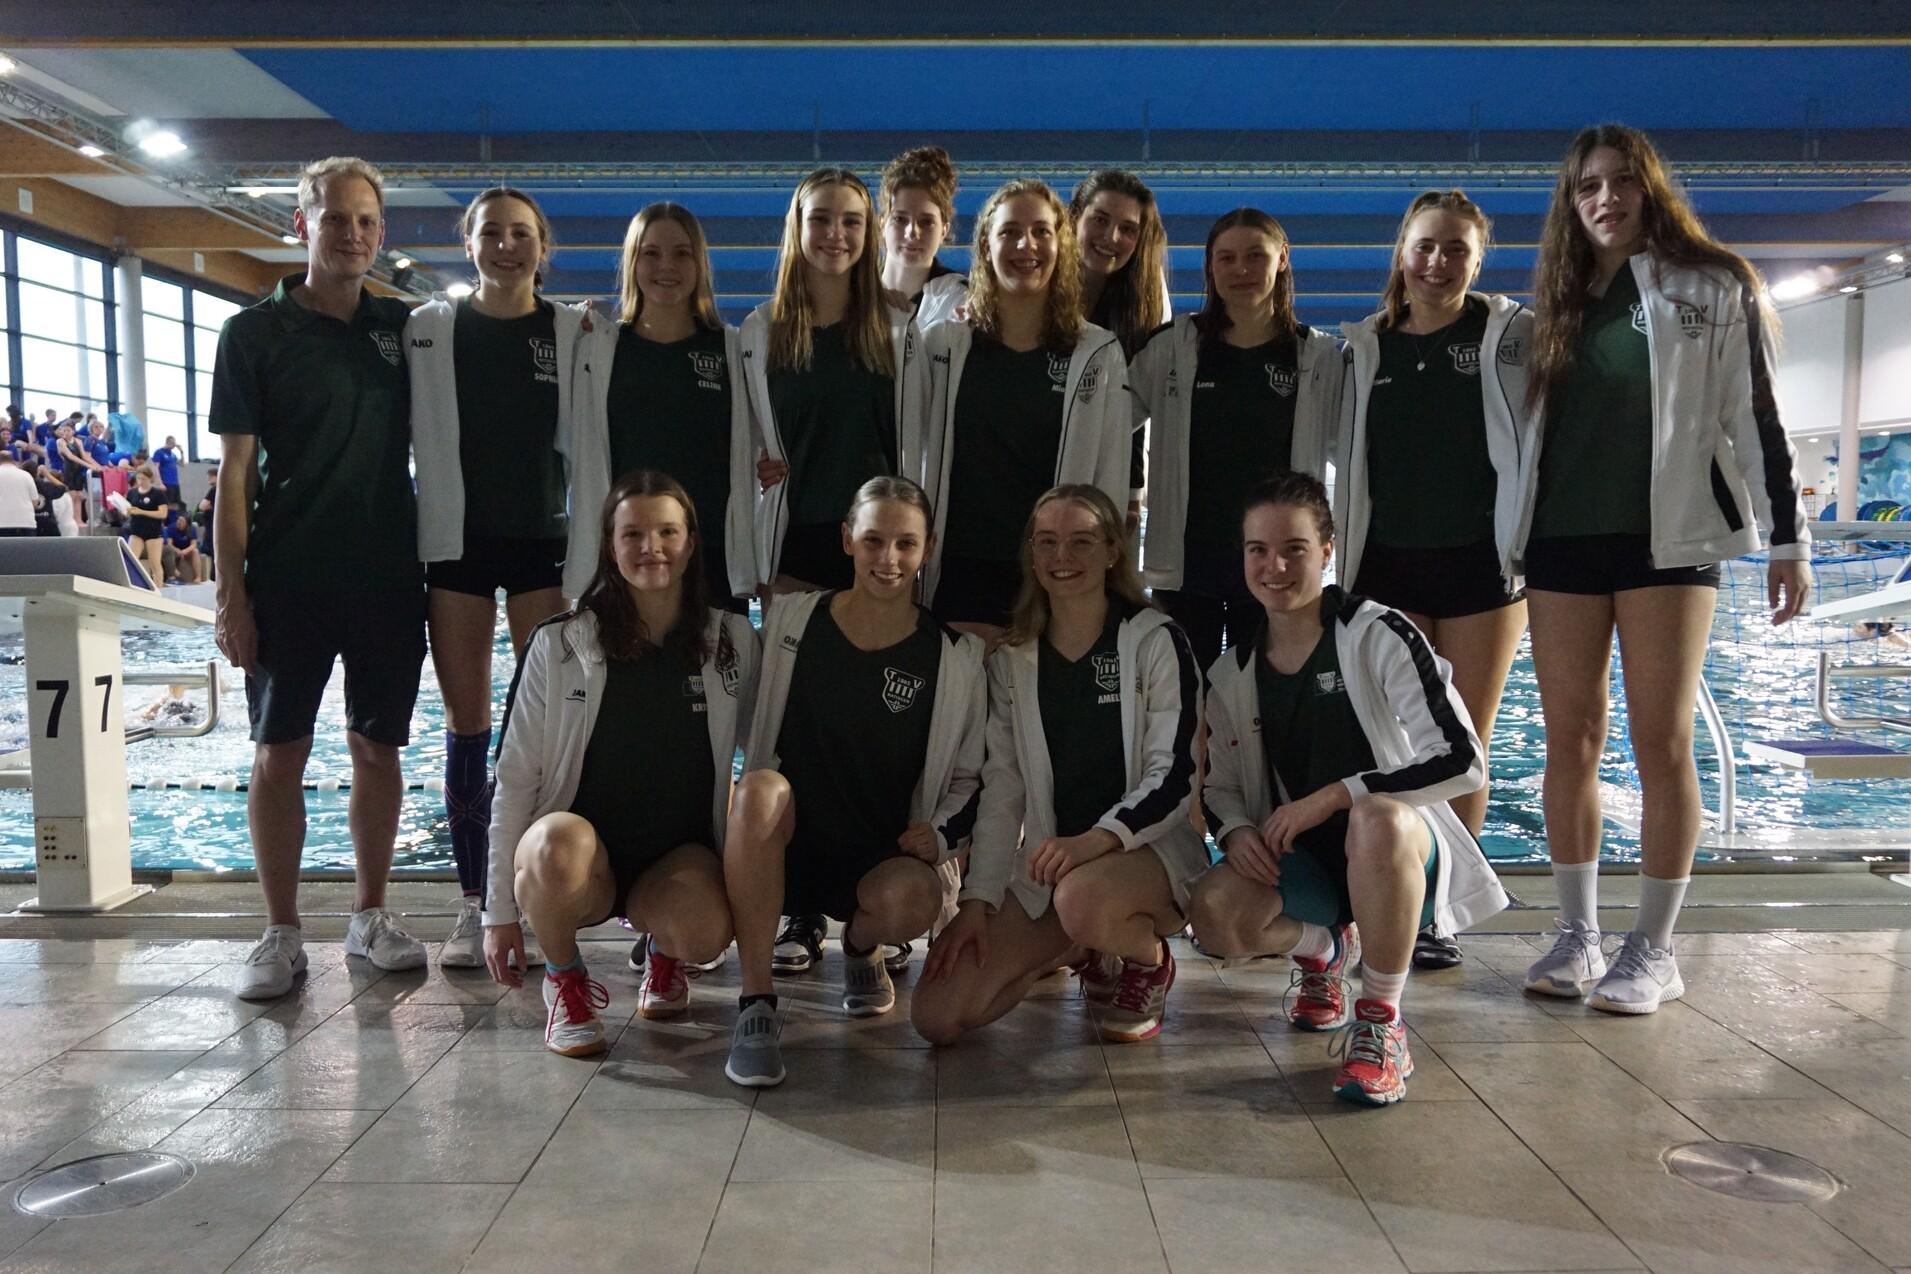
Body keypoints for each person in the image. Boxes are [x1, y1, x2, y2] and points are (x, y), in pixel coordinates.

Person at [1514, 125, 1812, 1014]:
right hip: (1561, 540)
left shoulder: (1712, 285)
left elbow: (1755, 417)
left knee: (1660, 740)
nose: (1604, 199)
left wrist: (1788, 540)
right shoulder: (1554, 303)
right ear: (1570, 204)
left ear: (1649, 188)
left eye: (1619, 182)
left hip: (1670, 543)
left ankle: (1652, 947)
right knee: (1569, 739)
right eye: (1586, 187)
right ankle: (1577, 933)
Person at [1187, 472, 1507, 1105]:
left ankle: (1382, 1023)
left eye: (1294, 549)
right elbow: (1219, 788)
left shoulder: (1378, 633)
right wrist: (1237, 830)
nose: (1275, 567)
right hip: (1309, 861)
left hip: (1400, 856)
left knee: (1374, 818)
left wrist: (1340, 793)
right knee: (1214, 913)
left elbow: (1463, 762)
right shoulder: (1233, 670)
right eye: (1258, 550)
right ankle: (1326, 949)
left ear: (1327, 551)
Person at [212, 155, 432, 1000]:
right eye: (334, 218)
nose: (351, 235)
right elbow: (236, 474)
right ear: (301, 224)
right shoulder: (252, 334)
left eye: (366, 221)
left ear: (382, 232)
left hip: (385, 573)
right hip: (288, 575)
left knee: (378, 748)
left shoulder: (405, 328)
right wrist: (231, 595)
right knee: (279, 752)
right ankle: (279, 930)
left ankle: (369, 915)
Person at [912, 484, 1204, 1047]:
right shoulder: (1015, 659)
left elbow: (1174, 777)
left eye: (1081, 541)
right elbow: (1002, 789)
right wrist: (977, 901)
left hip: (1148, 856)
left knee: (1082, 899)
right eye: (1046, 542)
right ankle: (1080, 945)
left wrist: (1096, 840)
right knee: (938, 1014)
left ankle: (1146, 958)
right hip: (1054, 870)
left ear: (1113, 549)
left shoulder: (1154, 641)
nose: (1061, 556)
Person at [722, 475, 986, 1085]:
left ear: (928, 549)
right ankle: (756, 1003)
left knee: (916, 898)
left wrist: (941, 833)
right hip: (791, 845)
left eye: (905, 544)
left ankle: (862, 947)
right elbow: (727, 717)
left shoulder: (952, 657)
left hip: (881, 857)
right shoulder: (792, 623)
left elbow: (971, 778)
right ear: (846, 539)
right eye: (873, 541)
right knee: (757, 791)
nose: (888, 559)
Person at [483, 471, 757, 1055]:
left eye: (667, 532)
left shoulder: (731, 640)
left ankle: (665, 952)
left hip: (677, 857)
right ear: (610, 546)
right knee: (550, 846)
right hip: (585, 860)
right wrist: (497, 913)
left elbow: (767, 753)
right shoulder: (559, 645)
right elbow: (515, 779)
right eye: (632, 534)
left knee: (705, 933)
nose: (651, 547)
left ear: (691, 543)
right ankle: (566, 978)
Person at [1334, 190, 1535, 971]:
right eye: (1424, 246)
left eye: (1455, 248)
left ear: (1478, 260)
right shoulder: (1364, 348)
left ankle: (1438, 913)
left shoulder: (1506, 336)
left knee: (1462, 741)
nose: (1437, 262)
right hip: (1387, 564)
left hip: (1482, 567)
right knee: (1392, 738)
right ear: (1401, 253)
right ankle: (1389, 896)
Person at [407, 186, 581, 969]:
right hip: (459, 545)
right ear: (468, 243)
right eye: (491, 233)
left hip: (544, 541)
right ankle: (474, 900)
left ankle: (529, 897)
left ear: (542, 247)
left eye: (520, 234)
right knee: (468, 723)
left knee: (535, 730)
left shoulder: (571, 331)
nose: (506, 246)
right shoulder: (432, 328)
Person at [914, 178, 1130, 643]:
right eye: (1009, 232)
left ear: (1061, 245)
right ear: (985, 246)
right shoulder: (942, 345)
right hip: (957, 568)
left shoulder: (1097, 353)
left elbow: (1108, 479)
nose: (1025, 245)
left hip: (1052, 571)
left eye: (1040, 232)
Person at [1130, 208, 1342, 671]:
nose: (1241, 270)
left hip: (1276, 566)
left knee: (1267, 696)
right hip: (1189, 566)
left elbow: (1351, 452)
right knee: (1183, 698)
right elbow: (1106, 423)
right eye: (1226, 258)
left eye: (1255, 256)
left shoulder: (1317, 356)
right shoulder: (1171, 348)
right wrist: (1125, 493)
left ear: (1282, 259)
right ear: (1210, 266)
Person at [567, 201, 755, 612]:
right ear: (632, 263)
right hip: (627, 555)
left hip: (711, 554)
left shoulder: (733, 349)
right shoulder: (599, 349)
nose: (666, 266)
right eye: (651, 253)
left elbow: (766, 435)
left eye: (681, 253)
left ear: (699, 264)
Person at [741, 167, 918, 594]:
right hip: (794, 546)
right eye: (820, 219)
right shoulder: (761, 331)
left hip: (881, 545)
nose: (835, 233)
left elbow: (928, 436)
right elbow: (739, 435)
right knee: (782, 642)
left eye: (851, 221)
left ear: (868, 232)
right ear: (798, 226)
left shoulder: (899, 329)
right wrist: (756, 467)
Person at [1070, 170, 1172, 527]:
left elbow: (1137, 398)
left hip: (1102, 466)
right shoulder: (1040, 282)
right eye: (1100, 220)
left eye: (1128, 229)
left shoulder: (1145, 298)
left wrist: (1132, 488)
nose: (1111, 237)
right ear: (1074, 217)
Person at [879, 146, 967, 328]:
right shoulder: (853, 293)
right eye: (900, 219)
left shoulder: (959, 299)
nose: (912, 232)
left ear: (944, 231)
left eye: (926, 222)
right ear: (882, 225)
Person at [123, 463, 169, 584]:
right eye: (138, 478)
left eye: (143, 479)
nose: (140, 481)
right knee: (130, 561)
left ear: (150, 478)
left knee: (154, 563)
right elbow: (128, 510)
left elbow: (163, 514)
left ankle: (159, 587)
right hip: (136, 531)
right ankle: (132, 585)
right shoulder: (132, 493)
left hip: (153, 532)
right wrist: (125, 510)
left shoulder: (157, 494)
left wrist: (141, 511)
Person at [0, 452, 39, 537]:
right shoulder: (26, 475)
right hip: (26, 523)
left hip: (2, 523)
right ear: (13, 461)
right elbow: (35, 502)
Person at [162, 509, 205, 583]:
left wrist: (185, 551)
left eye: (182, 521)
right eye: (178, 520)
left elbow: (194, 544)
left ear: (186, 524)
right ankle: (174, 576)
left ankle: (198, 577)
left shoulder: (192, 529)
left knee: (195, 551)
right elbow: (169, 544)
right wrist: (177, 550)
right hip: (174, 550)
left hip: (186, 550)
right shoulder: (171, 528)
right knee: (169, 552)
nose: (179, 522)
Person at [151, 434, 183, 506]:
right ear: (168, 442)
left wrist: (181, 452)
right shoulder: (159, 452)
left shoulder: (173, 454)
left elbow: (182, 464)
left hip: (175, 483)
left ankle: (174, 514)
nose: (174, 446)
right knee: (167, 504)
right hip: (166, 482)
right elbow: (155, 468)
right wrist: (160, 483)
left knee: (175, 504)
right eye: (173, 444)